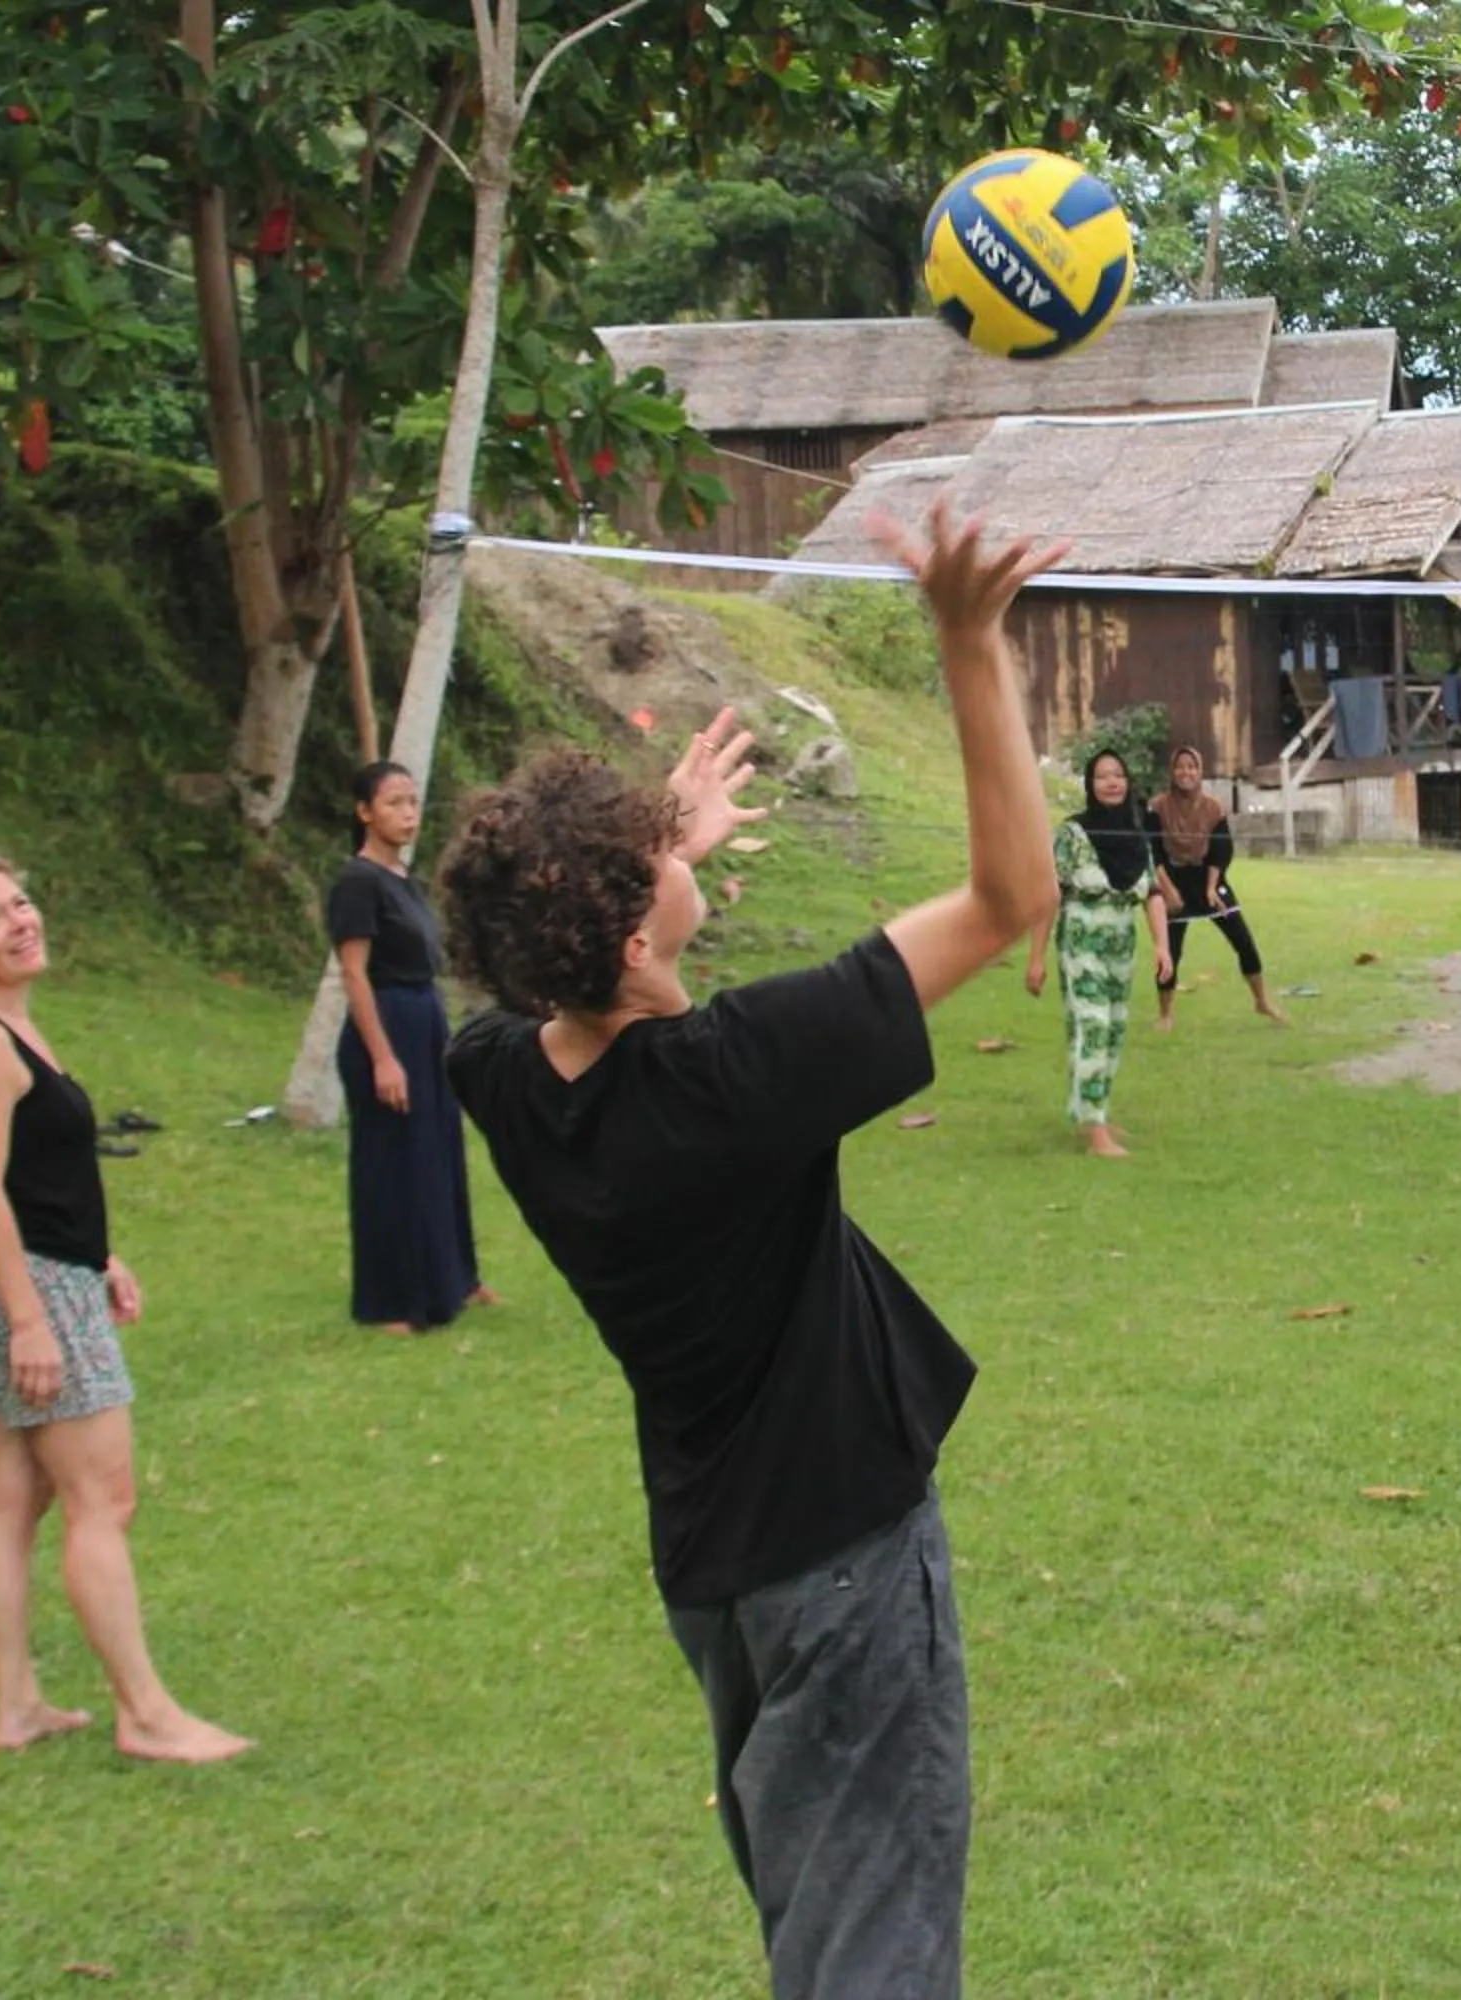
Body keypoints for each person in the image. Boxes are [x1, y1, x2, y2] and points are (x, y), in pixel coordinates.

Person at [438, 501, 1063, 1998]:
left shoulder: (507, 1083)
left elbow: (553, 987)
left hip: (716, 1576)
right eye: (647, 861)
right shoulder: (736, 1077)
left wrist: (643, 862)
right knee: (871, 1959)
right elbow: (1010, 900)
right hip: (841, 1566)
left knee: (814, 1920)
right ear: (637, 935)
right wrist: (972, 648)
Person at [0, 852, 250, 1764]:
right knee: (103, 1496)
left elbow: (35, 1175)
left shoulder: (3, 1025)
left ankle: (18, 1705)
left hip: (31, 1270)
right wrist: (30, 1317)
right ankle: (145, 1714)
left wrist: (98, 1256)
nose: (22, 921)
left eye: (22, 902)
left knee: (17, 1495)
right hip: (16, 1282)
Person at [327, 760, 490, 1333]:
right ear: (365, 812)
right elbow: (355, 974)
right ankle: (392, 1298)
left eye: (413, 802)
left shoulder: (403, 881)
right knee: (393, 1160)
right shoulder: (357, 882)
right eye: (394, 803)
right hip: (387, 1020)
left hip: (423, 1018)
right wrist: (382, 1057)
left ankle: (455, 1276)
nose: (407, 814)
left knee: (437, 1148)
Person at [1025, 749, 1171, 1156]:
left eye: (1118, 775)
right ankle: (1094, 1131)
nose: (1111, 782)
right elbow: (1048, 894)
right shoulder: (1072, 834)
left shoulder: (1137, 836)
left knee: (1115, 1029)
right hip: (1081, 939)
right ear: (1090, 784)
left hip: (1121, 944)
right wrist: (1036, 958)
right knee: (1092, 1027)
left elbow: (1153, 895)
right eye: (1102, 776)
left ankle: (1096, 1112)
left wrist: (1162, 945)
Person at [1146, 744, 1285, 1031]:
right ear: (1172, 772)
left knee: (1243, 941)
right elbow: (1153, 851)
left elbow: (1222, 851)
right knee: (1170, 951)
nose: (1186, 772)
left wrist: (1212, 888)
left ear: (1200, 771)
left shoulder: (1214, 807)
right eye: (1180, 766)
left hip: (1208, 878)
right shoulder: (1158, 806)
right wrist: (1167, 890)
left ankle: (1261, 1001)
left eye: (1192, 766)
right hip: (1171, 878)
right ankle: (1166, 1015)